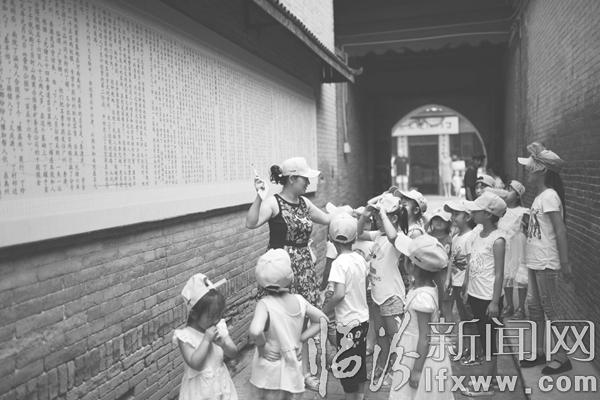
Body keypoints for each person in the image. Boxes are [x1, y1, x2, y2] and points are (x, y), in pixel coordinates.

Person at [246, 157, 330, 390]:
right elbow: (251, 223)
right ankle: (269, 368)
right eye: (305, 179)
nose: (308, 183)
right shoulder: (273, 203)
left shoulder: (304, 203)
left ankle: (303, 372)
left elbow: (327, 219)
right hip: (279, 268)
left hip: (303, 267)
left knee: (303, 318)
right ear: (292, 178)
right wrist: (259, 197)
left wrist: (349, 215)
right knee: (274, 318)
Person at [517, 142, 573, 375]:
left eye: (530, 167)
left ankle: (562, 357)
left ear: (540, 169)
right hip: (535, 260)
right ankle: (539, 351)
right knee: (535, 308)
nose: (527, 171)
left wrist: (565, 263)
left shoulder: (549, 196)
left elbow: (560, 230)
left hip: (546, 262)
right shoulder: (541, 196)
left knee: (551, 309)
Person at [249, 249, 328, 400]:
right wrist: (301, 339)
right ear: (291, 277)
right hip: (292, 366)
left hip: (270, 368)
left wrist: (262, 347)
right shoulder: (299, 300)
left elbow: (255, 331)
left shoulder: (264, 304)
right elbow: (322, 319)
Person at [389, 233, 454, 400]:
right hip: (414, 348)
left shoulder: (422, 297)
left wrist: (417, 370)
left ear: (412, 266)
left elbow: (425, 337)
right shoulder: (424, 288)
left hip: (418, 353)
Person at [356, 193, 406, 386]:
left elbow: (393, 236)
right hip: (377, 296)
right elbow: (359, 233)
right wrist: (365, 213)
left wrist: (383, 214)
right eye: (376, 217)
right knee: (381, 335)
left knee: (395, 336)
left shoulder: (399, 238)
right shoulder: (378, 235)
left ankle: (398, 371)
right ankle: (383, 367)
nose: (376, 220)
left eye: (380, 217)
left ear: (394, 218)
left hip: (391, 296)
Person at [460, 191, 506, 396]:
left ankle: (485, 386)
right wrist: (466, 287)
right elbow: (472, 262)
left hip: (489, 298)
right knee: (485, 338)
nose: (473, 213)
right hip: (476, 295)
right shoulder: (478, 233)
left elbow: (499, 273)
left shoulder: (498, 240)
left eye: (477, 210)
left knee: (488, 342)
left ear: (488, 214)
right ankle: (492, 379)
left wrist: (495, 302)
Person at [323, 214, 370, 400]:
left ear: (331, 239)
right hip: (363, 319)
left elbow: (339, 294)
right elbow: (365, 283)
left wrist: (326, 308)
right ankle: (360, 396)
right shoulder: (360, 259)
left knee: (347, 366)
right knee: (360, 360)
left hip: (347, 323)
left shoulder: (338, 263)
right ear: (355, 238)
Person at [173, 274, 238, 400]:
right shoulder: (185, 337)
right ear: (194, 314)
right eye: (211, 316)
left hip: (221, 387)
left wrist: (224, 344)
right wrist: (206, 340)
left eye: (219, 315)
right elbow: (195, 364)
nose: (216, 319)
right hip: (199, 393)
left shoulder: (219, 327)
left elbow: (234, 353)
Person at [494, 181, 529, 319]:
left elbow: (528, 230)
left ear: (518, 195)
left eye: (511, 190)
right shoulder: (502, 211)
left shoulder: (523, 211)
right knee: (506, 274)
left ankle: (521, 307)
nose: (507, 192)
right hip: (505, 245)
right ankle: (509, 305)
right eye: (507, 189)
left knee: (520, 275)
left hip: (518, 245)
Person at [426, 209, 453, 320]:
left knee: (445, 301)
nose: (438, 222)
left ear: (448, 223)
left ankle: (447, 325)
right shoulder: (427, 237)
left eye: (442, 219)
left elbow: (450, 259)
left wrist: (448, 278)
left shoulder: (449, 239)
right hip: (428, 273)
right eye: (436, 219)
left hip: (443, 274)